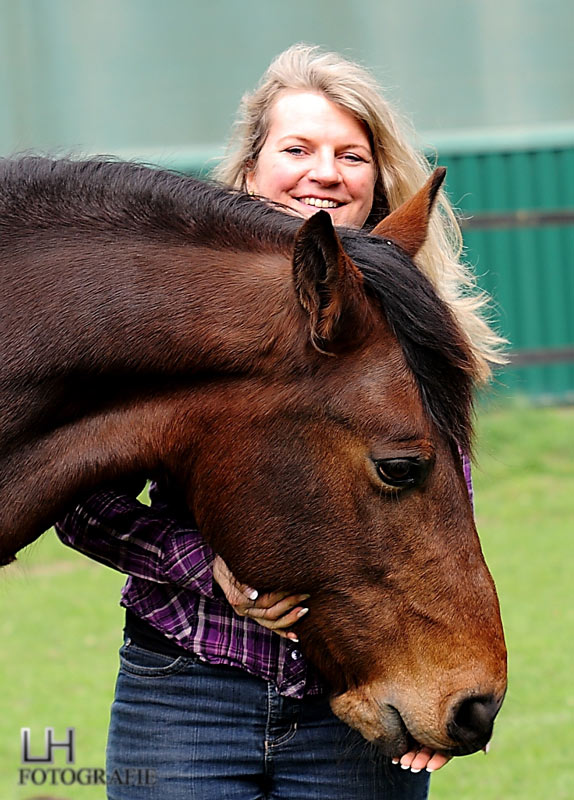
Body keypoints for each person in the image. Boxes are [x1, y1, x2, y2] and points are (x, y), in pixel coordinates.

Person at [56, 44, 503, 800]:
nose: (324, 172)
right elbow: (79, 501)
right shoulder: (168, 323)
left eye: (350, 154)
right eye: (296, 148)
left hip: (350, 709)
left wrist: (444, 677)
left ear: (378, 177)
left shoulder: (411, 330)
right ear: (250, 171)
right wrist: (207, 569)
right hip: (186, 691)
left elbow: (431, 513)